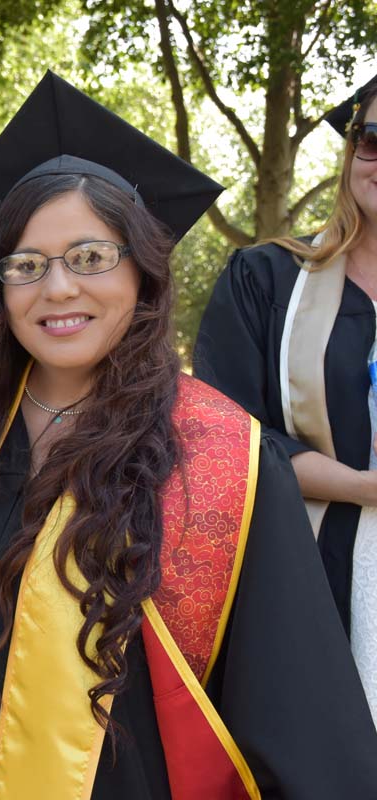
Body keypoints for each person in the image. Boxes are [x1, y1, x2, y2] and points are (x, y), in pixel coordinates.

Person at [0, 72, 377, 799]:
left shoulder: (225, 462)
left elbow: (305, 734)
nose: (58, 289)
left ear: (142, 272)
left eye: (91, 256)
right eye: (26, 265)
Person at [195, 73, 377, 716]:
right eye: (374, 138)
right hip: (307, 573)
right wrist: (364, 487)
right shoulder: (266, 278)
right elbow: (228, 434)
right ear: (352, 150)